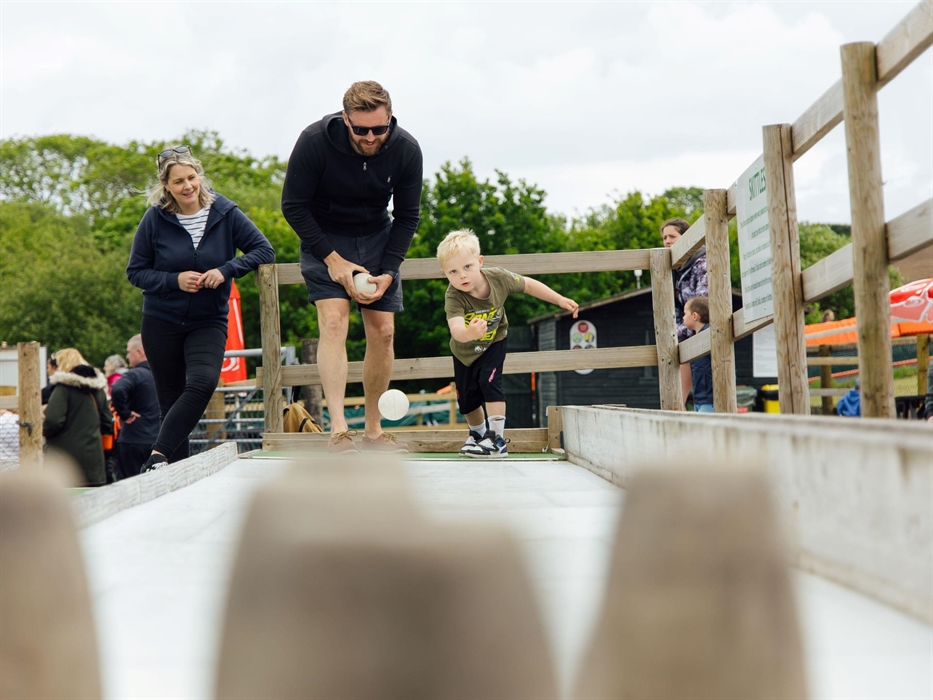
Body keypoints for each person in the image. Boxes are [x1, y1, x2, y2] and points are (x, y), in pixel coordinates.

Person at [281, 80, 423, 454]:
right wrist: (333, 260)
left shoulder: (407, 149)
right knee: (333, 322)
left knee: (384, 331)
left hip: (377, 236)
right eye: (361, 130)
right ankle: (339, 431)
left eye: (380, 128)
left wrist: (389, 271)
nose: (371, 137)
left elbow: (408, 217)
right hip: (324, 237)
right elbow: (293, 206)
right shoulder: (314, 141)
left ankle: (374, 431)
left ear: (390, 118)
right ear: (345, 119)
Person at [127, 146, 274, 473]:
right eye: (178, 181)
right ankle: (169, 474)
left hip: (208, 320)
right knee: (170, 404)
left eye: (191, 177)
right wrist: (174, 280)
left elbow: (264, 250)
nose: (187, 186)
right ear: (166, 186)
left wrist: (226, 270)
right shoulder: (154, 218)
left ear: (199, 175)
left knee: (204, 382)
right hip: (161, 321)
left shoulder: (224, 211)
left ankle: (155, 457)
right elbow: (135, 272)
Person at [437, 230, 579, 457]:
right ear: (444, 273)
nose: (462, 276)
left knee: (489, 382)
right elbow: (455, 330)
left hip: (494, 342)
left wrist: (560, 299)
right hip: (464, 351)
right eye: (453, 271)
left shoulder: (498, 278)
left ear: (480, 262)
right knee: (467, 398)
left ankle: (496, 439)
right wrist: (469, 332)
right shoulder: (454, 296)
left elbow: (529, 285)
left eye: (467, 267)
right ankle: (477, 435)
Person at [42, 348, 113, 486]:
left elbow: (52, 420)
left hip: (64, 461)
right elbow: (107, 422)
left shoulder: (63, 389)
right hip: (94, 462)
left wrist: (44, 432)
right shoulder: (98, 389)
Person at [661, 217, 709, 406]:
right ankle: (676, 407)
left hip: (703, 329)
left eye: (672, 236)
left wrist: (674, 334)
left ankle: (679, 407)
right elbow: (674, 308)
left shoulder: (702, 264)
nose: (667, 241)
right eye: (664, 238)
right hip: (687, 330)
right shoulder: (674, 270)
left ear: (686, 238)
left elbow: (703, 305)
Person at [110, 334, 160, 480]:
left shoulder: (134, 375)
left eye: (129, 352)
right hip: (159, 441)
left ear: (139, 352)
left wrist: (124, 413)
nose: (127, 356)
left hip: (134, 438)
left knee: (130, 485)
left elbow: (117, 389)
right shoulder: (164, 376)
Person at [682, 297, 713, 413]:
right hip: (700, 399)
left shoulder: (711, 334)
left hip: (710, 400)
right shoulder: (695, 340)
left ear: (695, 316)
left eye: (685, 314)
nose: (683, 317)